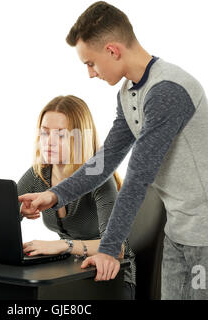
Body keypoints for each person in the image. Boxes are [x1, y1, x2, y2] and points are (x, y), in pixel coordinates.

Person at [18, 1, 208, 300]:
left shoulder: (167, 90)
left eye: (91, 63)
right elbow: (102, 163)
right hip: (179, 231)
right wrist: (53, 195)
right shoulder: (129, 94)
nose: (90, 73)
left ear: (113, 50)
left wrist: (109, 249)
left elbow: (137, 178)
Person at [17, 94, 136, 299]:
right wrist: (16, 213)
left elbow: (117, 248)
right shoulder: (39, 174)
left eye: (61, 135)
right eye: (45, 133)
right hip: (72, 272)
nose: (49, 143)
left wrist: (62, 246)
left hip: (114, 276)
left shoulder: (99, 178)